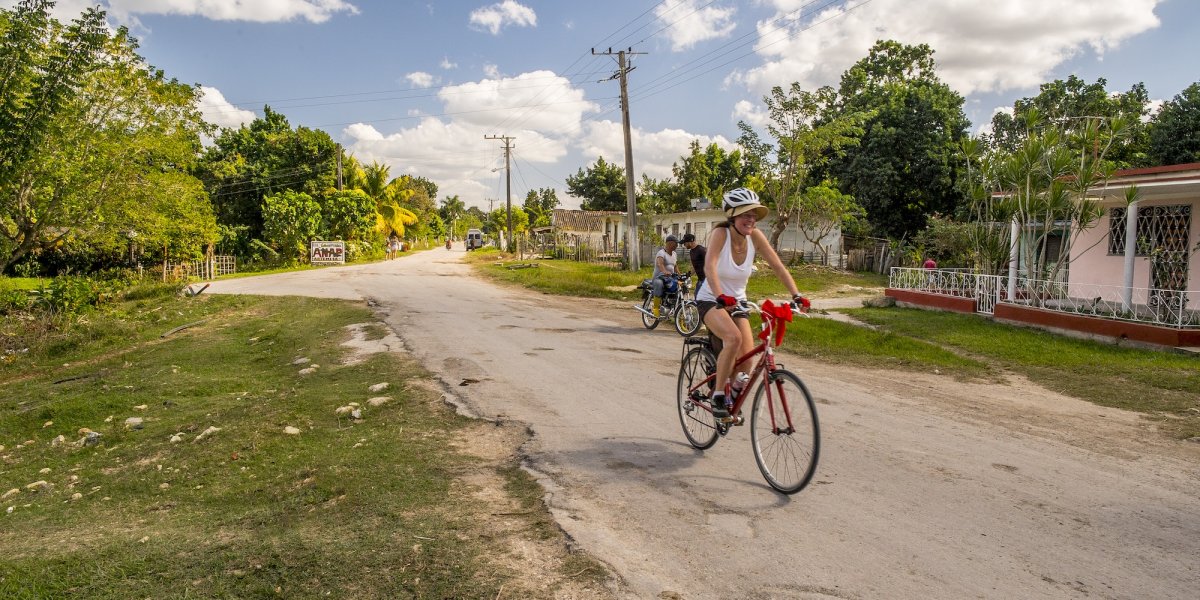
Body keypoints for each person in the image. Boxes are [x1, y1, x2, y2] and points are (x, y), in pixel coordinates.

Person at [695, 188, 809, 418]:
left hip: (738, 301)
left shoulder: (755, 236)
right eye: (746, 214)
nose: (751, 219)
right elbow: (710, 267)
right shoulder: (721, 234)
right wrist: (719, 296)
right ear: (733, 216)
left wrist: (797, 295)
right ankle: (718, 395)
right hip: (711, 299)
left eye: (754, 214)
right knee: (733, 338)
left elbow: (778, 266)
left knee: (747, 361)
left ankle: (731, 395)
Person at [651, 234, 680, 318]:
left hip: (669, 278)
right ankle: (656, 308)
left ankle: (672, 306)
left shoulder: (674, 254)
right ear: (670, 243)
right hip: (659, 277)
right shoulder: (661, 253)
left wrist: (680, 275)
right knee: (659, 284)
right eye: (676, 243)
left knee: (678, 286)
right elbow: (660, 264)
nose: (677, 245)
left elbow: (675, 266)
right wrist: (664, 271)